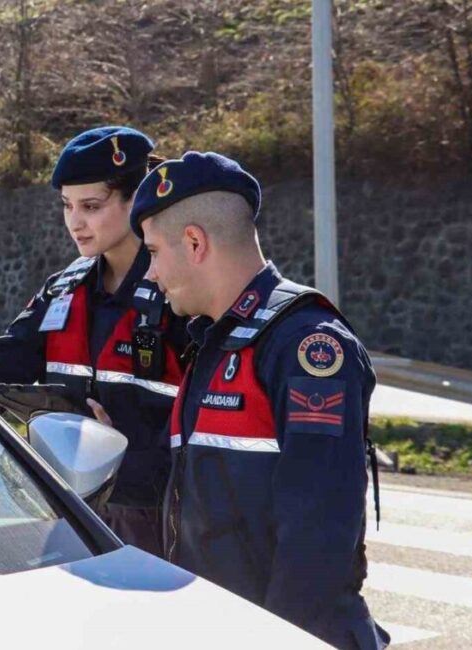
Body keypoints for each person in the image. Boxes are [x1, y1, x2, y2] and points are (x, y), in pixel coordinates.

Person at [130, 151, 388, 648]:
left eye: (155, 252)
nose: (151, 274)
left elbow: (316, 545)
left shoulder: (304, 345)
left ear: (194, 242)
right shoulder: (214, 342)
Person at [0, 126, 188, 555]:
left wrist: (123, 459)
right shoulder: (65, 289)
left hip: (161, 525)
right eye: (66, 206)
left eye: (91, 206)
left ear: (135, 200)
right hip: (73, 516)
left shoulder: (181, 293)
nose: (75, 222)